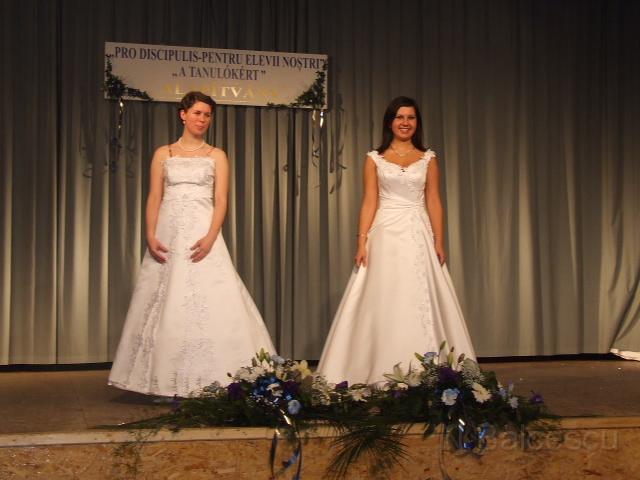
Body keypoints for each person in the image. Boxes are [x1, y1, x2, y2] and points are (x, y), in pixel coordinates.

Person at [109, 91, 275, 397]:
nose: (202, 119)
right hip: (168, 234)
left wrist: (211, 236)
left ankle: (217, 376)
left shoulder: (217, 155)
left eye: (207, 115)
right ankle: (162, 379)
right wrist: (150, 233)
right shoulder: (164, 153)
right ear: (183, 114)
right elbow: (154, 197)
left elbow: (221, 199)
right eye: (197, 113)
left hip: (202, 233)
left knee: (210, 297)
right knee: (166, 298)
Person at [317, 96, 476, 385]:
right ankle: (374, 366)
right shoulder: (374, 159)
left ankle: (427, 368)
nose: (405, 123)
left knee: (417, 295)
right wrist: (361, 242)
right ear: (390, 122)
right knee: (383, 297)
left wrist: (439, 240)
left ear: (417, 122)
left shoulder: (428, 158)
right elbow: (369, 201)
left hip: (417, 232)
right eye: (400, 117)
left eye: (411, 118)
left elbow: (434, 200)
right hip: (385, 234)